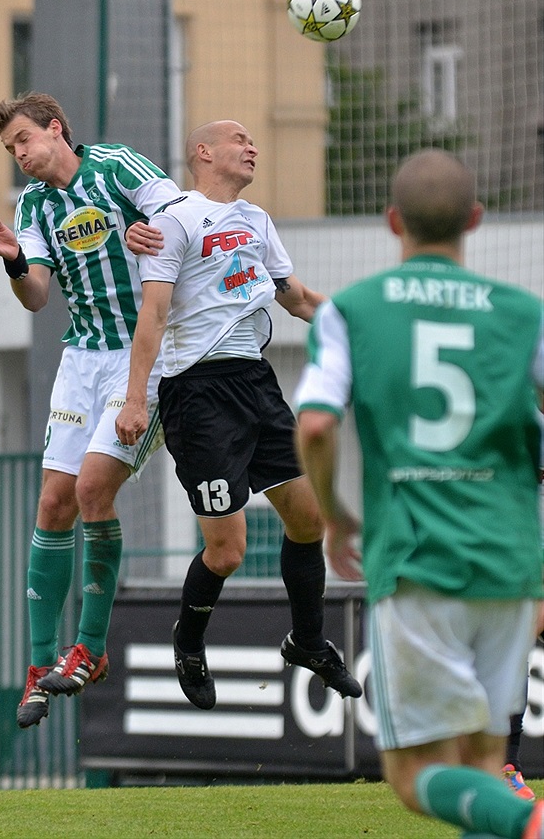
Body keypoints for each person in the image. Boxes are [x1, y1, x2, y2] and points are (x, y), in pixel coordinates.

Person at [294, 149, 543, 838]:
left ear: (392, 221)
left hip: (418, 560)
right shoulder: (526, 312)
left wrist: (339, 517)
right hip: (510, 564)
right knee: (484, 764)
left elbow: (315, 424)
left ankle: (533, 823)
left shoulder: (352, 309)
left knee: (412, 777)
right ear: (475, 220)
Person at [115, 119, 362, 710]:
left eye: (254, 141)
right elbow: (152, 315)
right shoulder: (174, 221)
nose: (252, 147)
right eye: (239, 139)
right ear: (203, 152)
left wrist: (362, 321)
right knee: (226, 550)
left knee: (308, 522)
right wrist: (134, 396)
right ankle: (189, 640)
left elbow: (296, 298)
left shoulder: (258, 221)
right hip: (197, 394)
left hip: (255, 381)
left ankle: (306, 641)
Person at [0, 92, 180, 728]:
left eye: (23, 142)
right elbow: (36, 296)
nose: (20, 156)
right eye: (11, 149)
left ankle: (90, 647)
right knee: (53, 503)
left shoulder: (118, 166)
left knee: (93, 490)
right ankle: (40, 667)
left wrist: (153, 232)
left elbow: (182, 222)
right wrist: (12, 258)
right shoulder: (33, 206)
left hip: (140, 354)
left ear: (54, 128)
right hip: (81, 360)